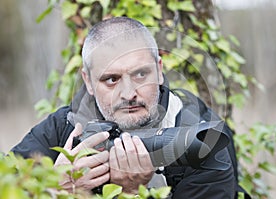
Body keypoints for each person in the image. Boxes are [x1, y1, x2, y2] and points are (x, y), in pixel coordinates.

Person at [11, 17, 241, 198]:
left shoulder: (203, 139)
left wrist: (130, 193)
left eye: (141, 74)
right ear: (88, 81)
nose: (129, 93)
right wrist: (54, 188)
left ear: (159, 70)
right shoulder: (64, 127)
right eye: (111, 79)